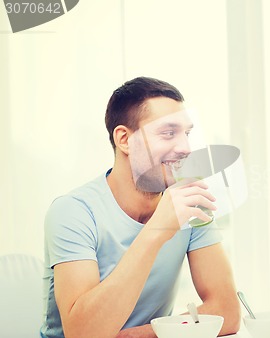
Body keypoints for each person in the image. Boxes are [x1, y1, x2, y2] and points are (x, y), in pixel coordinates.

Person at [40, 77, 240, 338]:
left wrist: (141, 334)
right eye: (168, 133)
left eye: (186, 134)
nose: (186, 148)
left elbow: (227, 312)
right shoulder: (73, 212)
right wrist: (157, 230)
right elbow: (83, 333)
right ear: (124, 139)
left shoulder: (189, 202)